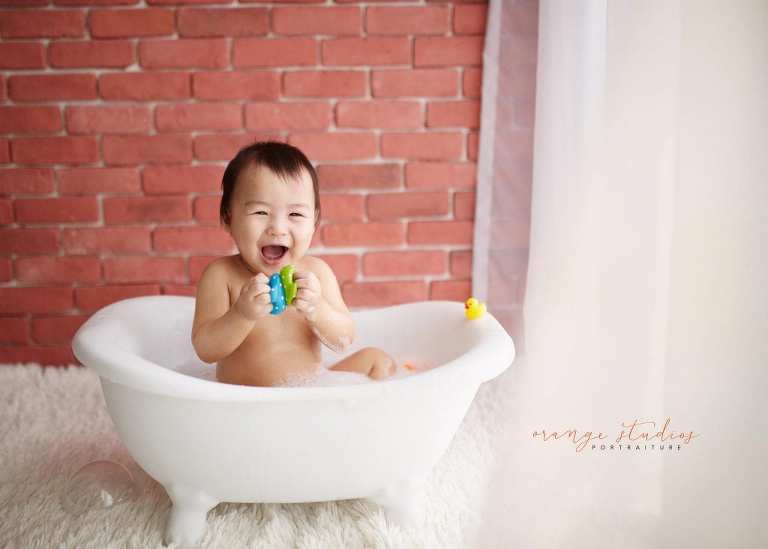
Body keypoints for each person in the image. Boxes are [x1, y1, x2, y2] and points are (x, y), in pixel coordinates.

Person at [191, 141, 398, 387]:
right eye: (260, 212)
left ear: (314, 221)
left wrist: (316, 308)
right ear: (228, 218)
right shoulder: (221, 275)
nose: (278, 228)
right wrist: (242, 315)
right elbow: (206, 350)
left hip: (310, 391)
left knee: (378, 360)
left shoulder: (317, 273)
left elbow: (344, 339)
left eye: (295, 214)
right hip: (249, 399)